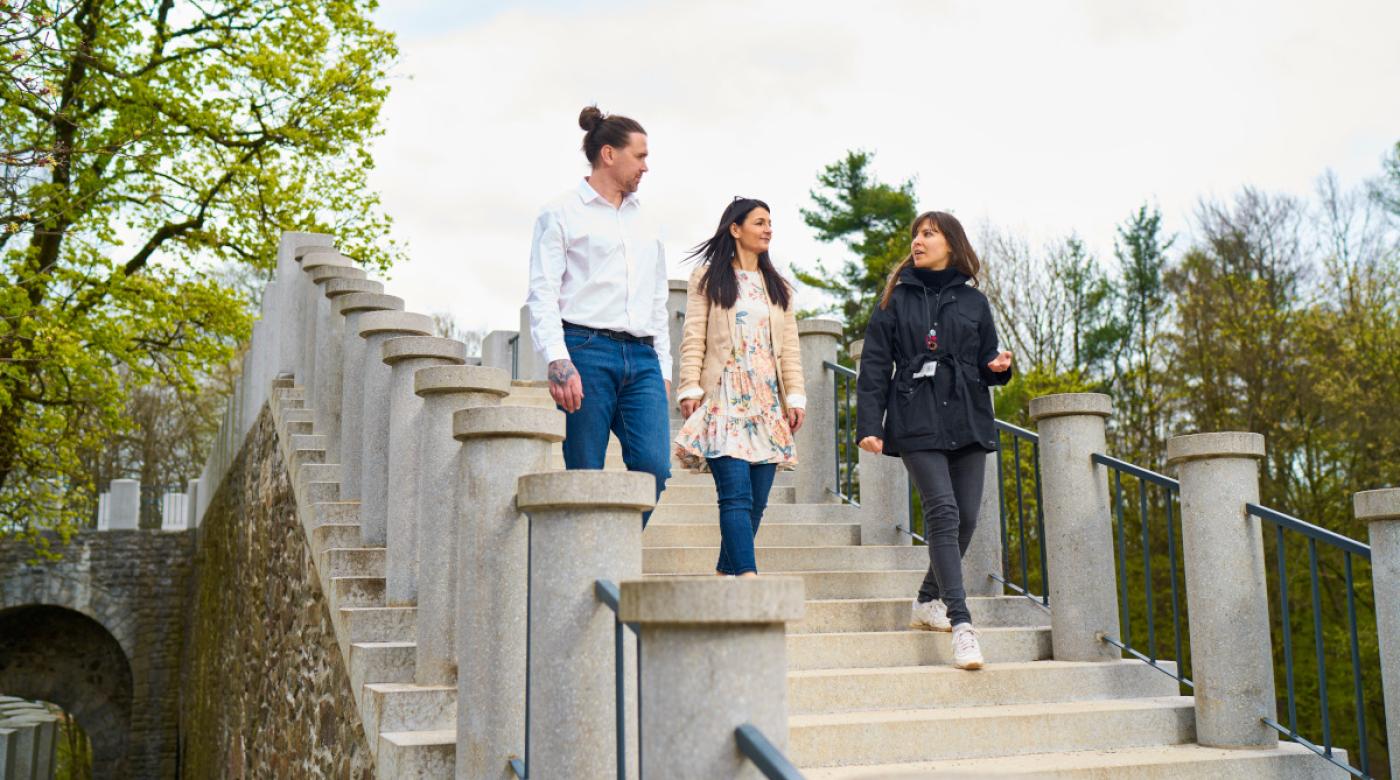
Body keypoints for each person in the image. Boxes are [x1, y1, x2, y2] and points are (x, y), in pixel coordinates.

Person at [855, 211, 1013, 670]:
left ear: (951, 242)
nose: (918, 241)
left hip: (967, 418)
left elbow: (985, 358)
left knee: (964, 519)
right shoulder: (894, 299)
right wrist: (871, 423)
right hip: (915, 416)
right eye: (916, 234)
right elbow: (874, 366)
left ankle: (927, 600)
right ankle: (962, 624)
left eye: (929, 233)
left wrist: (997, 366)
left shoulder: (973, 302)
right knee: (942, 512)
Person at [526, 106, 671, 523]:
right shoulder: (560, 211)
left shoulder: (649, 220)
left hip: (642, 357)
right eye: (640, 156)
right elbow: (543, 292)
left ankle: (610, 555)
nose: (646, 166)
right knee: (585, 472)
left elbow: (656, 298)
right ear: (609, 154)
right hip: (585, 350)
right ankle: (586, 572)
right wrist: (558, 358)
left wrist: (663, 365)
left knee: (655, 469)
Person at [673, 197, 806, 577]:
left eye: (770, 223)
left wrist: (794, 396)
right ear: (736, 228)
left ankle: (723, 574)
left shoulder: (778, 287)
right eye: (760, 222)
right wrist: (689, 389)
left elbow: (790, 350)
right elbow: (694, 335)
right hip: (724, 397)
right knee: (735, 495)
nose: (768, 230)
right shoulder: (708, 278)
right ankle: (748, 579)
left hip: (766, 403)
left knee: (757, 503)